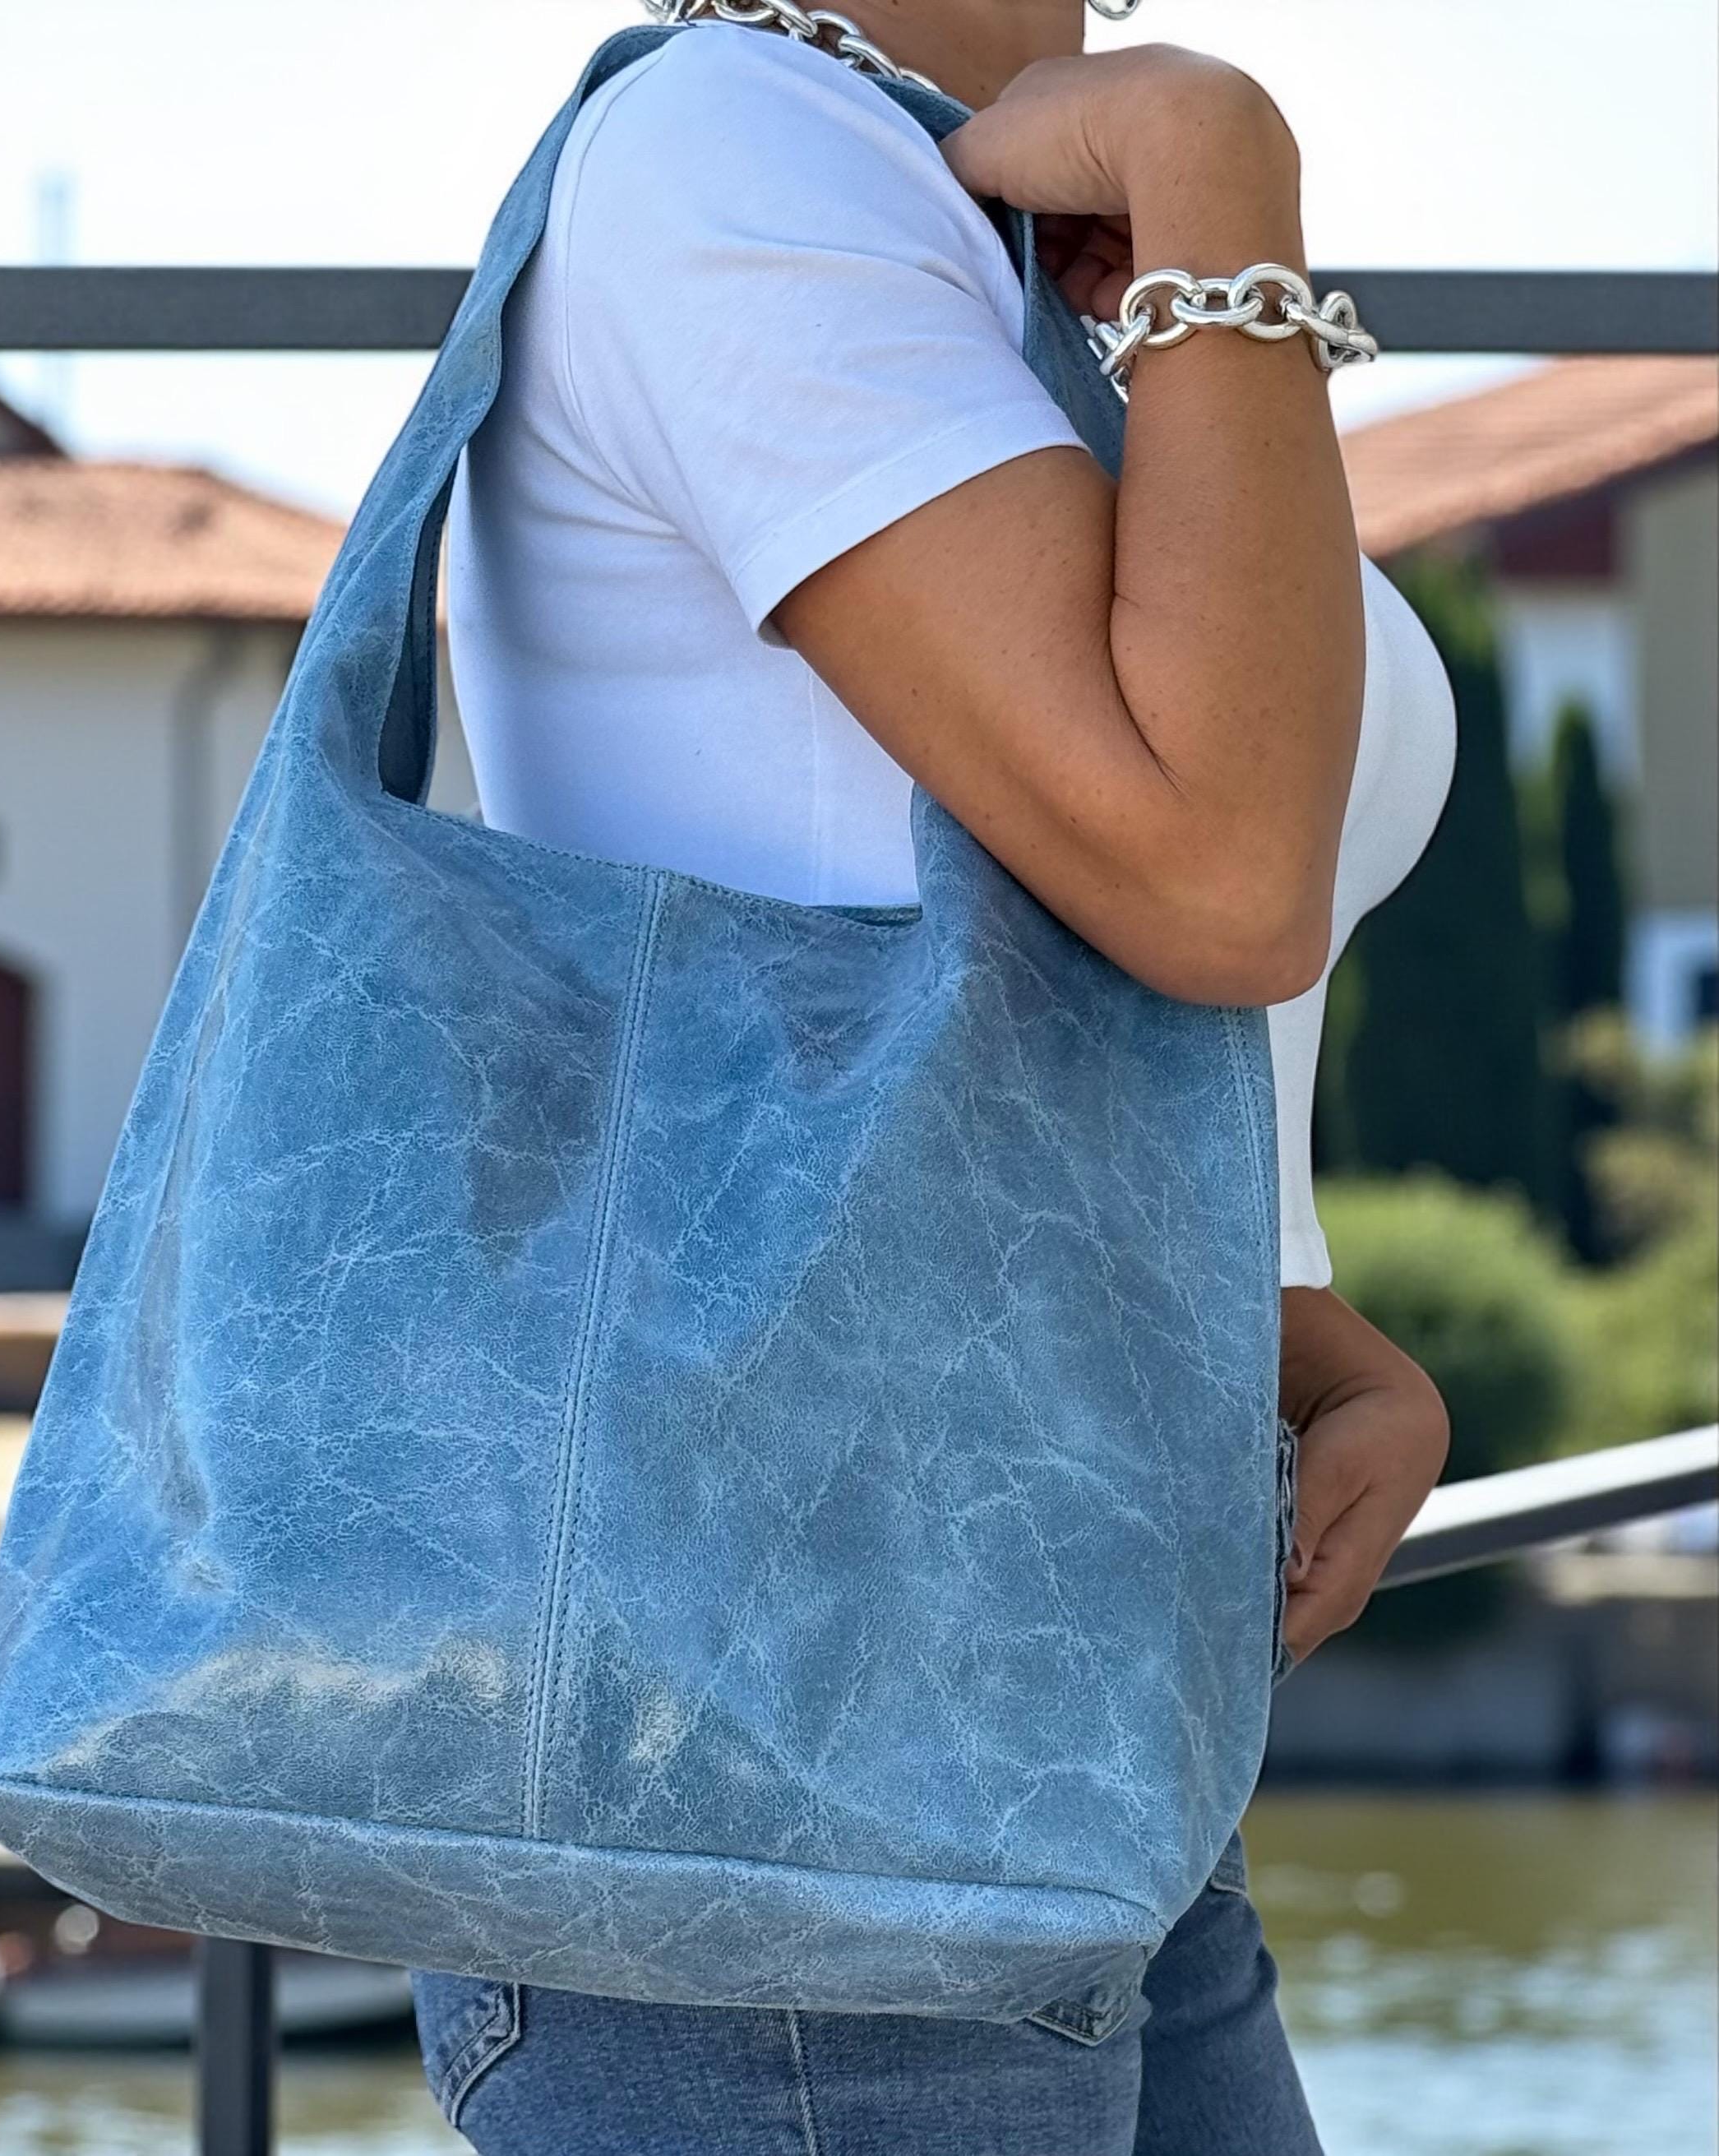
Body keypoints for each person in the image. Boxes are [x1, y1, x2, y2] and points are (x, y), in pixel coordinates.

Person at [411, 3, 1454, 2148]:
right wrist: (1213, 166)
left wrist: (1263, 1314)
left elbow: (961, 922)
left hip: (1052, 1655)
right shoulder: (734, 155)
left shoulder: (954, 203)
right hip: (791, 1734)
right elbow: (1217, 866)